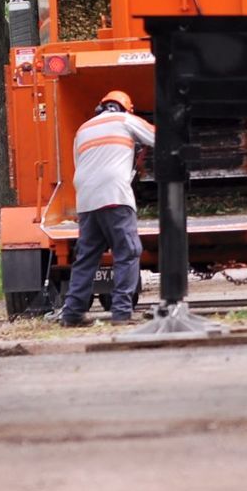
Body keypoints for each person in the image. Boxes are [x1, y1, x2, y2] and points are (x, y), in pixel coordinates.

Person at [60, 90, 154, 326]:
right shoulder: (125, 120)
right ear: (125, 108)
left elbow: (79, 164)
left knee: (87, 257)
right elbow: (159, 139)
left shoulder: (83, 129)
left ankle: (72, 313)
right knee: (128, 251)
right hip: (115, 196)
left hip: (87, 199)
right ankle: (122, 313)